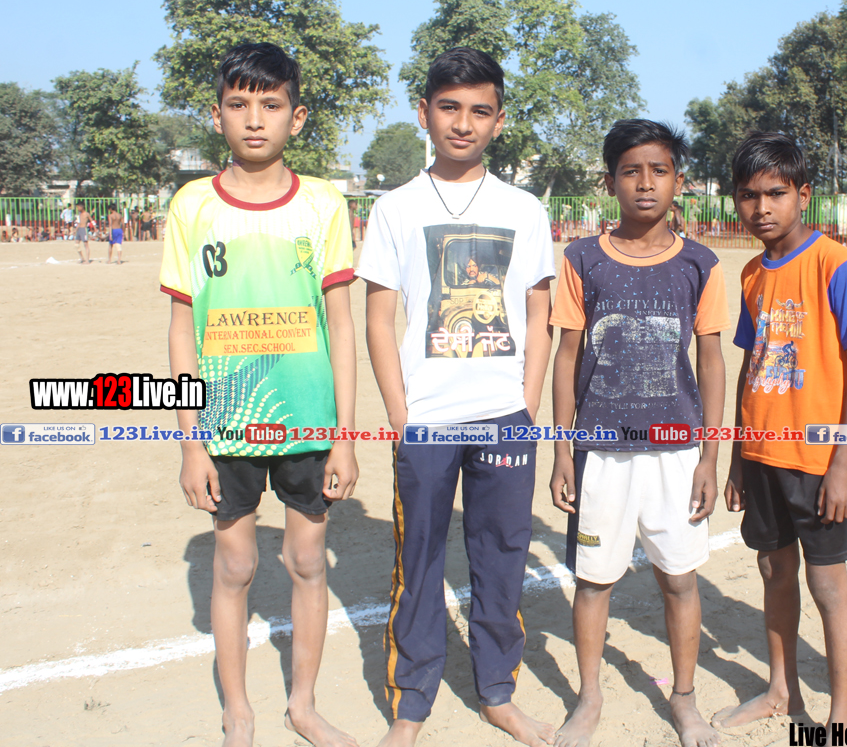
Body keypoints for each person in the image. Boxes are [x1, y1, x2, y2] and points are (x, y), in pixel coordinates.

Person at [160, 42, 359, 747]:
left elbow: (341, 324)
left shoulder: (324, 203)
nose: (254, 119)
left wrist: (345, 435)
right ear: (216, 115)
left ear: (295, 117)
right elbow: (181, 330)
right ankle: (238, 709)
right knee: (236, 566)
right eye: (239, 104)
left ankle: (303, 706)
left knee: (306, 563)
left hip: (307, 421)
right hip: (226, 424)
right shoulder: (191, 206)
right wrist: (190, 443)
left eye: (270, 105)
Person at [357, 47, 556, 747]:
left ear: (499, 120)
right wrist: (401, 415)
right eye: (449, 108)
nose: (463, 123)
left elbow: (539, 312)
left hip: (505, 418)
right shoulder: (394, 208)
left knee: (502, 555)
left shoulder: (523, 209)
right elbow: (379, 319)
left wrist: (526, 406)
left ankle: (498, 692)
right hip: (428, 422)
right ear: (424, 112)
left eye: (479, 110)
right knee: (418, 564)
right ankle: (411, 703)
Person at [550, 119, 728, 747]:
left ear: (679, 181)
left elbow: (711, 362)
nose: (645, 183)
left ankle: (684, 699)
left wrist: (709, 457)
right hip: (601, 452)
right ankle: (589, 697)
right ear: (610, 182)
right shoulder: (581, 259)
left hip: (677, 454)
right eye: (631, 171)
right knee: (594, 581)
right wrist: (563, 451)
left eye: (659, 170)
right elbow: (566, 358)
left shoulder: (701, 264)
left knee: (679, 580)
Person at [715, 133, 847, 729]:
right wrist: (738, 457)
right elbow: (750, 366)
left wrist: (844, 465)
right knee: (773, 571)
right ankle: (782, 691)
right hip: (761, 454)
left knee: (827, 585)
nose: (761, 208)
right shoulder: (751, 274)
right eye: (748, 195)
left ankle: (841, 716)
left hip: (817, 461)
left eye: (775, 194)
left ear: (803, 195)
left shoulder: (836, 264)